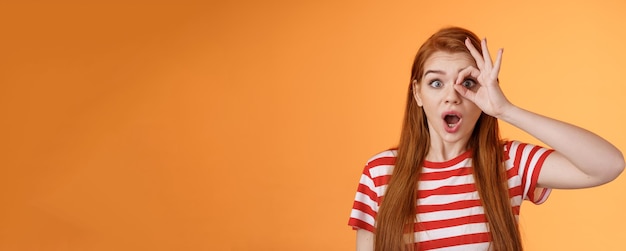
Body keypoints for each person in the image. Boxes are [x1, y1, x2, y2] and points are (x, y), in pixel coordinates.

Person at [347, 27, 625, 251]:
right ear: (417, 94)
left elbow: (608, 164)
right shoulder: (380, 172)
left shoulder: (510, 163)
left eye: (467, 82)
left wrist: (507, 110)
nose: (452, 95)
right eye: (436, 82)